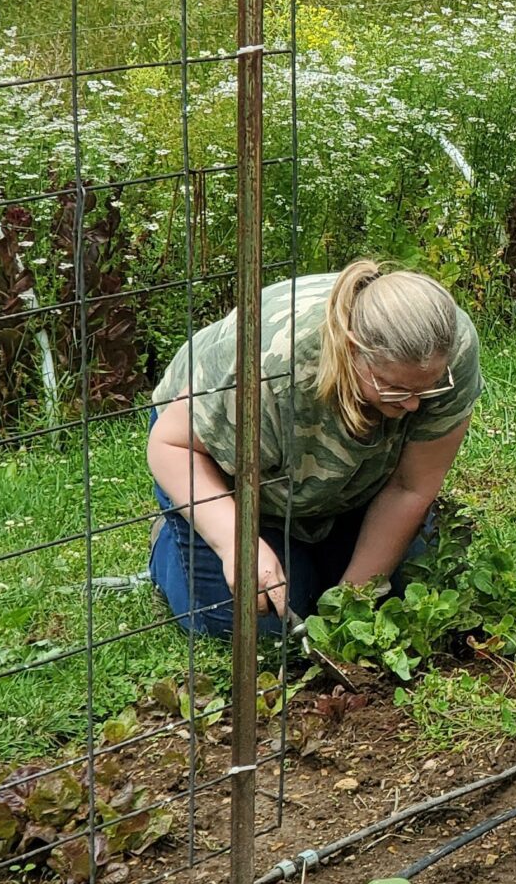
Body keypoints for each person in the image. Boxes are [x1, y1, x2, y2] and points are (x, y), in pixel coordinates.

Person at [147, 261, 481, 636]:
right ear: (353, 350)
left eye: (427, 388)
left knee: (412, 594)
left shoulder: (449, 346)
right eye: (395, 388)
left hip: (351, 480)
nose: (414, 406)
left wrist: (349, 604)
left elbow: (410, 486)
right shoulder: (268, 366)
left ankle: (314, 544)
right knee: (257, 626)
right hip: (215, 468)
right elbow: (171, 444)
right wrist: (237, 545)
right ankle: (173, 542)